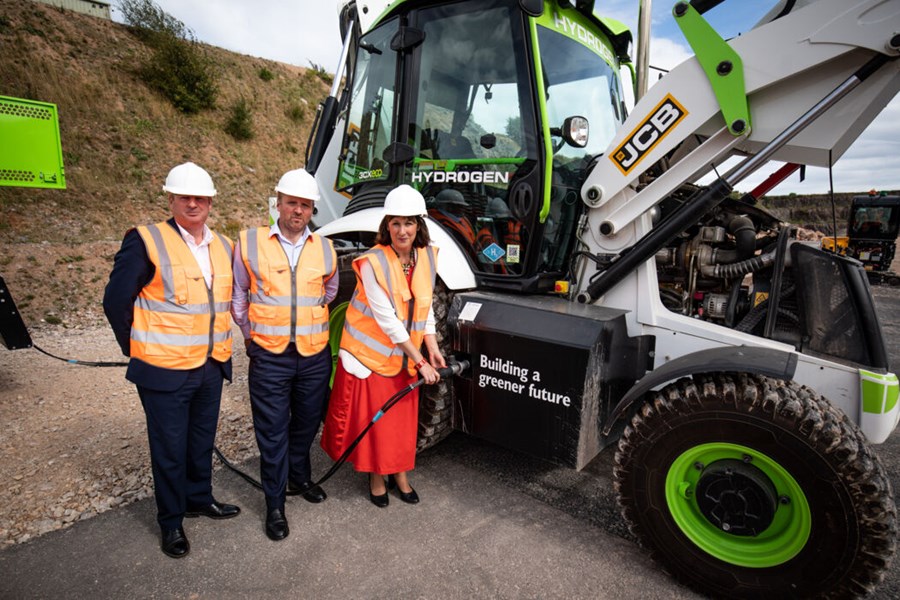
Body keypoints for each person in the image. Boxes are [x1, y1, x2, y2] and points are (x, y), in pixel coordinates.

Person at [103, 162, 240, 559]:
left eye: (200, 197)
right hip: (164, 371)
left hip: (210, 365)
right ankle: (171, 522)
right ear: (171, 198)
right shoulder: (146, 241)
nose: (193, 203)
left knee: (200, 441)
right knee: (168, 448)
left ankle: (199, 498)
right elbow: (116, 301)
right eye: (185, 197)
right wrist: (138, 349)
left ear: (211, 201)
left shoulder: (222, 245)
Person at [321, 184, 445, 507]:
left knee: (401, 423)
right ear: (386, 226)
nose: (402, 230)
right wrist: (420, 361)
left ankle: (400, 474)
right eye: (395, 223)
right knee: (378, 421)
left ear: (419, 225)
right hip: (372, 355)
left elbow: (425, 305)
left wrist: (431, 345)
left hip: (405, 357)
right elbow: (388, 320)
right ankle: (377, 478)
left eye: (409, 223)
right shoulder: (374, 262)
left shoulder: (425, 258)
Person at [231, 168, 338, 541]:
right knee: (272, 431)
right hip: (269, 356)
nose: (298, 210)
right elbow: (239, 296)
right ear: (278, 203)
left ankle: (300, 475)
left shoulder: (325, 247)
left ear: (312, 210)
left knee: (307, 422)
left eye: (305, 205)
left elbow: (329, 292)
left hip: (312, 356)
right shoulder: (248, 243)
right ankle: (275, 503)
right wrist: (250, 336)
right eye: (291, 202)